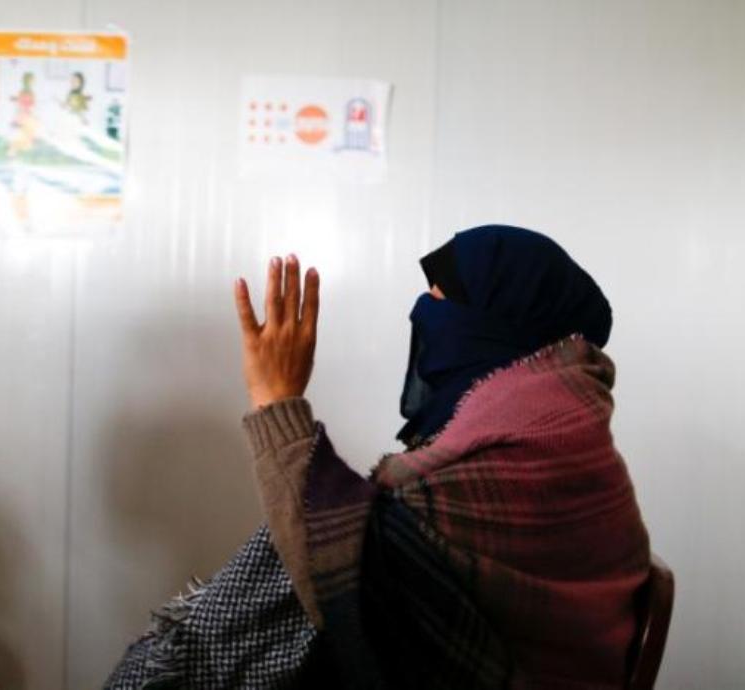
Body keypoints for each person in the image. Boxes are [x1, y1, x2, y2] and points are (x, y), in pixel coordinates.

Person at [106, 225, 651, 690]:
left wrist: (277, 401)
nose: (424, 316)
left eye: (442, 303)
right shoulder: (555, 424)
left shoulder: (529, 453)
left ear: (499, 324)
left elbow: (350, 588)